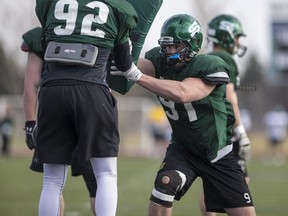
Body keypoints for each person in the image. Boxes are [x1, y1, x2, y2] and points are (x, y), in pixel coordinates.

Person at [111, 14, 257, 216]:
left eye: (177, 47)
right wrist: (118, 50)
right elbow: (131, 63)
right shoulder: (158, 61)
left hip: (217, 151)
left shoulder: (210, 65)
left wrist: (136, 75)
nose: (170, 52)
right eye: (167, 46)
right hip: (183, 148)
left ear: (193, 44)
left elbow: (183, 92)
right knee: (166, 183)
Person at [32, 0, 140, 215]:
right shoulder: (120, 8)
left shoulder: (48, 3)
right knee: (106, 174)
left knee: (52, 180)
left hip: (52, 90)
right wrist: (136, 75)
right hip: (92, 91)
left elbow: (47, 39)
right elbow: (124, 63)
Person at [22, 27, 96, 216]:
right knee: (99, 178)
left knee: (53, 181)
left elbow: (31, 82)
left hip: (54, 106)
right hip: (87, 106)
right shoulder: (97, 29)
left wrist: (30, 121)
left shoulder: (42, 34)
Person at [199, 14, 252, 216]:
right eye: (237, 36)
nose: (238, 41)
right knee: (240, 186)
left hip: (205, 130)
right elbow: (230, 97)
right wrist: (240, 131)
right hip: (224, 131)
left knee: (210, 187)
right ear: (226, 35)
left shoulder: (204, 58)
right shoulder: (225, 59)